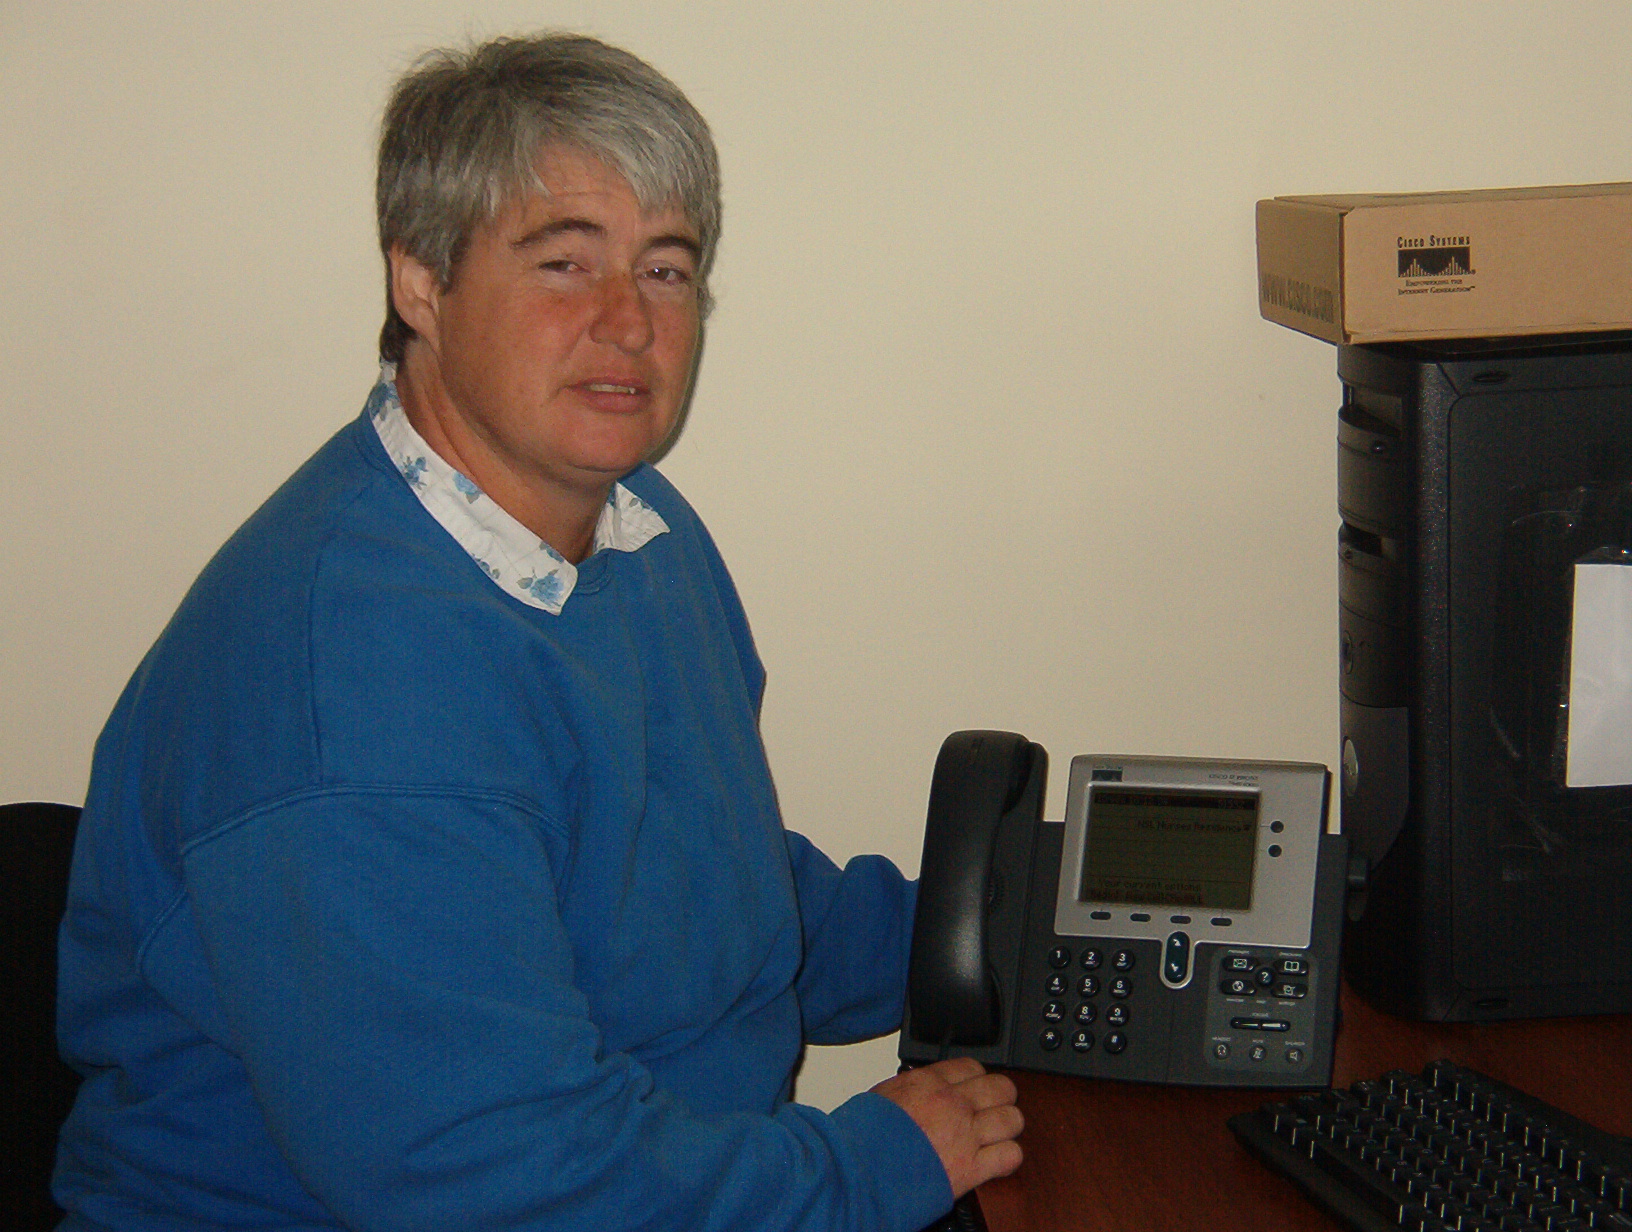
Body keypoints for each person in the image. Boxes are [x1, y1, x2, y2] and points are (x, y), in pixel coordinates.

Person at [53, 32, 1022, 1231]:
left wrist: (1001, 934)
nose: (628, 321)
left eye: (666, 270)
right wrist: (871, 1167)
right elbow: (505, 1180)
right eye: (565, 264)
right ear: (420, 281)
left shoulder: (635, 530)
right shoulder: (351, 688)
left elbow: (704, 894)